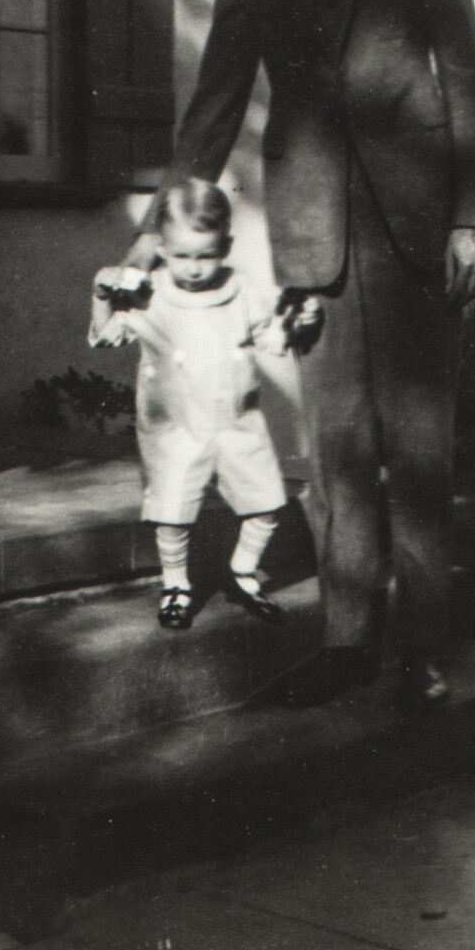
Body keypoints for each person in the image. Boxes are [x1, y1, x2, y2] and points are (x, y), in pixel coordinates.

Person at [120, 0, 475, 707]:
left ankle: (420, 648)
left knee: (418, 448)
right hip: (312, 233)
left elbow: (464, 72)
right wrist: (154, 228)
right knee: (334, 448)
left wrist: (472, 219)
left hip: (417, 230)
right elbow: (215, 103)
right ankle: (345, 640)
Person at [91, 177, 307, 631]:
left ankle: (242, 571)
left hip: (236, 421)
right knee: (171, 511)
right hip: (175, 425)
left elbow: (271, 339)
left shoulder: (240, 290)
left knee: (267, 503)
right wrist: (102, 296)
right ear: (163, 249)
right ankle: (176, 584)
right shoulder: (151, 294)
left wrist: (294, 321)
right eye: (181, 255)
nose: (192, 267)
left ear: (225, 247)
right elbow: (108, 337)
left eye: (205, 255)